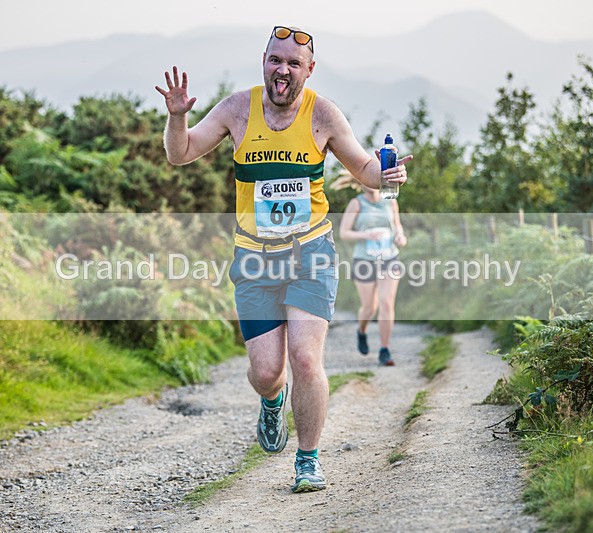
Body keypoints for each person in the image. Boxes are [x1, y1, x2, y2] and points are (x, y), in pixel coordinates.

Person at [155, 25, 411, 493]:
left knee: (305, 359)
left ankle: (308, 460)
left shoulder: (324, 115)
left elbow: (364, 169)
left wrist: (387, 171)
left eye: (294, 63)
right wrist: (176, 118)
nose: (283, 69)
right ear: (264, 61)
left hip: (310, 253)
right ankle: (272, 402)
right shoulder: (237, 109)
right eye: (276, 59)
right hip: (254, 259)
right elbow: (181, 153)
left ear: (309, 71)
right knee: (267, 371)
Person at [339, 185, 407, 366]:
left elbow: (397, 226)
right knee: (369, 307)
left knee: (386, 303)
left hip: (389, 257)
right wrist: (366, 234)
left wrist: (400, 236)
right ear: (360, 182)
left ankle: (385, 349)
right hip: (364, 260)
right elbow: (344, 233)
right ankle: (361, 331)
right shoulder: (356, 204)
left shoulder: (391, 200)